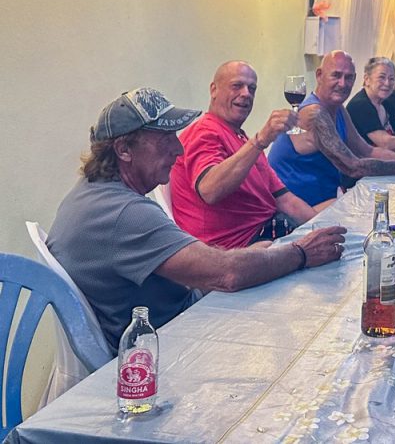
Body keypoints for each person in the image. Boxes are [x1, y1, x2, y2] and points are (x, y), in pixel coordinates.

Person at [48, 88, 345, 350]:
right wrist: (301, 252)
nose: (178, 150)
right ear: (124, 150)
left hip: (171, 319)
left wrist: (249, 257)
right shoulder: (125, 214)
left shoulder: (89, 193)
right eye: (166, 139)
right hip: (174, 342)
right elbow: (227, 275)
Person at [170, 61, 321, 249]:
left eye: (252, 88)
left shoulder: (242, 139)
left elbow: (286, 200)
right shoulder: (204, 132)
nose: (246, 94)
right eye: (237, 85)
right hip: (239, 248)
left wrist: (322, 227)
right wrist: (261, 140)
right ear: (213, 90)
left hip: (270, 230)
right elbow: (210, 190)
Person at [269, 51, 395, 207]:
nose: (342, 83)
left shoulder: (338, 109)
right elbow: (352, 167)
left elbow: (367, 151)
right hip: (295, 210)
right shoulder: (314, 113)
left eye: (349, 77)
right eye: (336, 75)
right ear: (319, 75)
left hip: (324, 199)